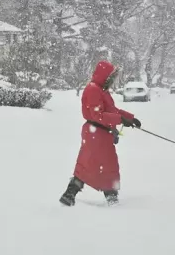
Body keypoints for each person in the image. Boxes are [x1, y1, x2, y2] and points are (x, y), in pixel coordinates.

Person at [59, 60, 141, 207]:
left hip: (101, 134)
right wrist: (120, 119)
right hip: (95, 133)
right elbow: (98, 115)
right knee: (92, 165)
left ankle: (73, 194)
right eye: (111, 77)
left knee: (100, 165)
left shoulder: (101, 90)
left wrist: (130, 118)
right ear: (105, 76)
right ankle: (107, 197)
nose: (113, 80)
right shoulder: (93, 90)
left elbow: (112, 111)